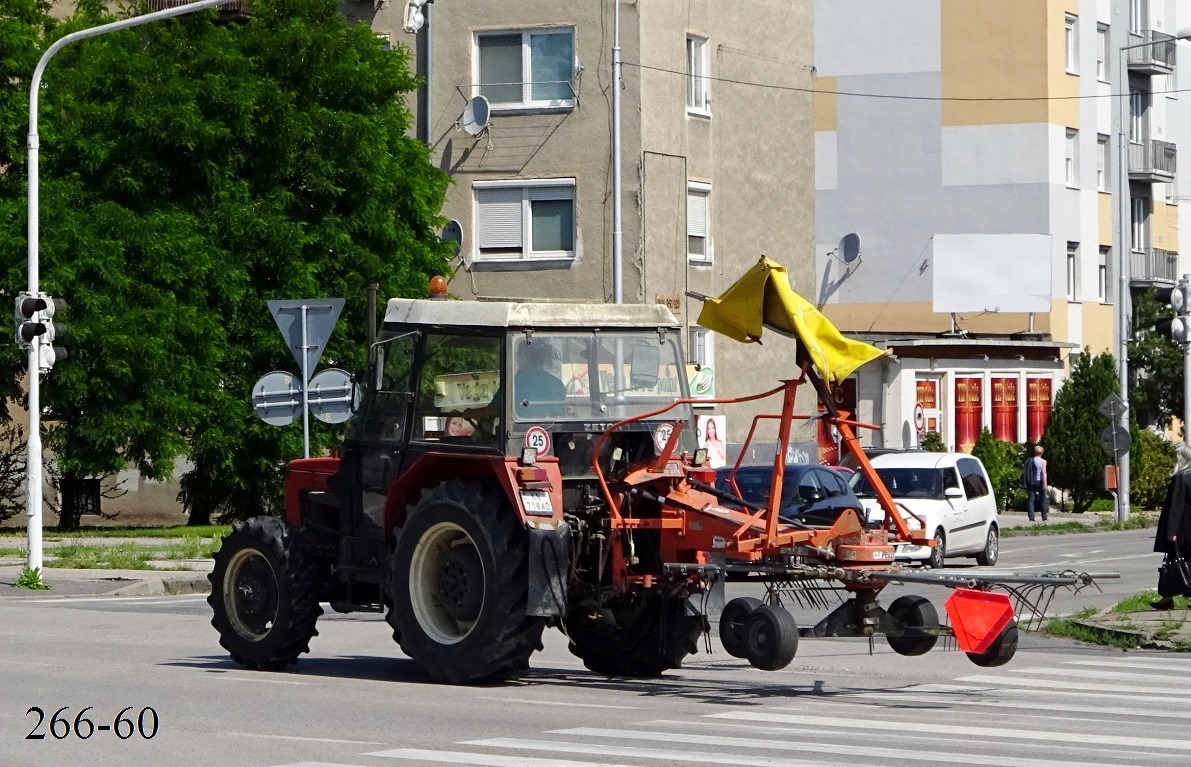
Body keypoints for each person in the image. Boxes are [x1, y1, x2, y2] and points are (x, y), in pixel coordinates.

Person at [1152, 442, 1191, 609]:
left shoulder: (1181, 477)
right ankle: (1167, 598)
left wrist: (1171, 530)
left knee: (1175, 564)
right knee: (1184, 562)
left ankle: (1167, 598)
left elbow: (1176, 505)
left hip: (1181, 530)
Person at [514, 341, 567, 419]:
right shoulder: (558, 384)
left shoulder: (515, 381)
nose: (517, 360)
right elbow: (557, 414)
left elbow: (495, 409)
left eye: (519, 355)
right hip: (551, 429)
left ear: (525, 357)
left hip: (521, 430)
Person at [1024, 445, 1048, 523]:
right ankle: (1044, 516)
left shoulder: (1030, 460)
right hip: (1040, 481)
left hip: (1031, 481)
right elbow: (1043, 472)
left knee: (1031, 500)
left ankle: (1031, 517)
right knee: (1043, 499)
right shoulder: (1043, 461)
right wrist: (1045, 483)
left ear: (1034, 452)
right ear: (1042, 453)